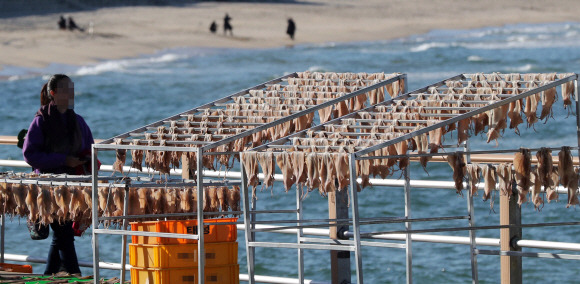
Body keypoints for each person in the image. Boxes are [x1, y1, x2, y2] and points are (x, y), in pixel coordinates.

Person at [22, 74, 96, 276]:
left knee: (61, 235)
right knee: (64, 234)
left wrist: (87, 161)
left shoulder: (78, 121)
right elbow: (30, 154)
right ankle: (75, 274)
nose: (72, 93)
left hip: (73, 187)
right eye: (67, 89)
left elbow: (90, 149)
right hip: (47, 187)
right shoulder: (41, 121)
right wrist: (63, 160)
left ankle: (48, 276)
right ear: (53, 93)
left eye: (72, 88)